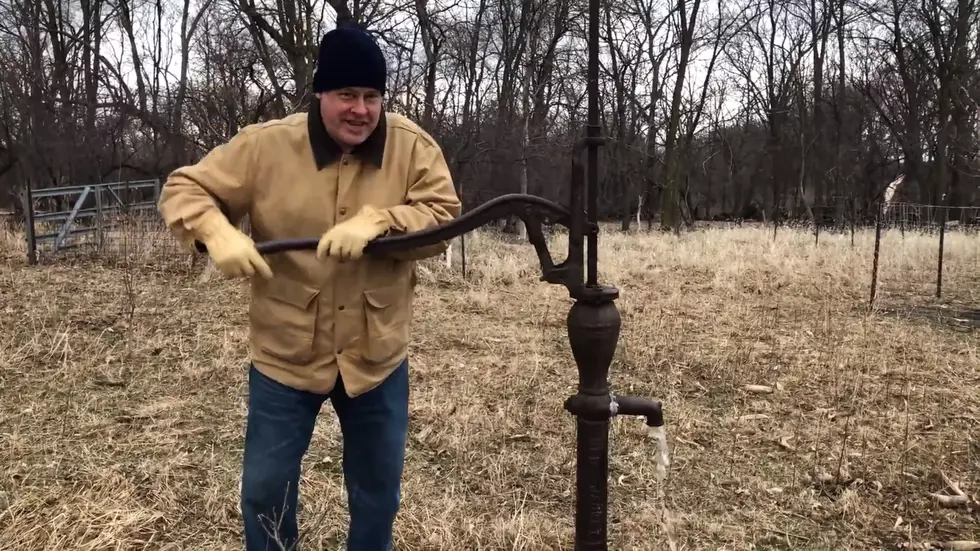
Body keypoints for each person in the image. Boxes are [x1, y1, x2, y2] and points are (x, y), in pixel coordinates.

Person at [156, 22, 461, 551]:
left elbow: (441, 216)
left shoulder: (413, 148)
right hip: (285, 353)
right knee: (265, 490)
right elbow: (185, 187)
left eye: (371, 96)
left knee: (377, 494)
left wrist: (381, 221)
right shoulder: (266, 147)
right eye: (346, 94)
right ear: (320, 93)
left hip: (376, 355)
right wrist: (214, 230)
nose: (360, 110)